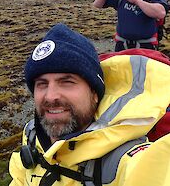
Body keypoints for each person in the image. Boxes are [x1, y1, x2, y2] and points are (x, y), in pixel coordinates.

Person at [9, 23, 170, 186]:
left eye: (67, 82)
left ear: (94, 94)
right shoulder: (32, 134)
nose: (50, 96)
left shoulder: (125, 162)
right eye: (42, 84)